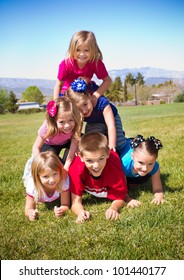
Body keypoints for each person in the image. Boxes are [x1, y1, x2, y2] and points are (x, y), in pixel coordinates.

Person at [69, 132, 127, 223]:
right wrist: (80, 212)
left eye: (101, 159)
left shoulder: (114, 165)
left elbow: (120, 197)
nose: (96, 165)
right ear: (80, 156)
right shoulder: (76, 168)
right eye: (89, 160)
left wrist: (114, 208)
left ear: (108, 153)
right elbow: (75, 202)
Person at [67, 78, 126, 153]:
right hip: (94, 122)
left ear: (89, 96)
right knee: (94, 143)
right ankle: (105, 135)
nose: (84, 111)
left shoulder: (102, 103)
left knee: (119, 144)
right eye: (79, 109)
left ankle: (122, 135)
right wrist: (77, 147)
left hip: (112, 118)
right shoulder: (77, 113)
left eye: (85, 104)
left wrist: (112, 146)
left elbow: (111, 126)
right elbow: (77, 131)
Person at [54, 30, 111, 104]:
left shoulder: (96, 63)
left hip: (87, 92)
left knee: (104, 103)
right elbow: (58, 85)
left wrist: (96, 96)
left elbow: (107, 80)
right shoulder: (65, 64)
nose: (82, 54)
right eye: (78, 50)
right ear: (72, 49)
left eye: (86, 50)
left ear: (93, 50)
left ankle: (114, 115)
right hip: (68, 93)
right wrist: (55, 103)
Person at [32, 96, 83, 171]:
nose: (67, 125)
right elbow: (36, 147)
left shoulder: (75, 126)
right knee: (49, 160)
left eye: (71, 120)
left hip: (68, 141)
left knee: (83, 144)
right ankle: (58, 164)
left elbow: (74, 143)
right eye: (61, 122)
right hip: (51, 144)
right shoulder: (47, 128)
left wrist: (67, 166)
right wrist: (38, 161)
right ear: (54, 121)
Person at [23, 151, 70, 221]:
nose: (52, 180)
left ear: (60, 171)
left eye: (55, 174)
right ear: (38, 177)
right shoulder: (32, 186)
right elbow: (28, 208)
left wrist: (61, 210)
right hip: (30, 172)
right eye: (45, 176)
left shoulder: (63, 182)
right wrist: (31, 213)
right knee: (32, 163)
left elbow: (65, 204)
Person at [120, 135, 165, 208]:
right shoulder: (124, 165)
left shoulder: (155, 167)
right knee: (127, 184)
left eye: (150, 164)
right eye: (141, 163)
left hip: (134, 170)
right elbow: (121, 190)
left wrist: (159, 196)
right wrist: (129, 199)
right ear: (132, 156)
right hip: (126, 144)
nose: (145, 168)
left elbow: (158, 189)